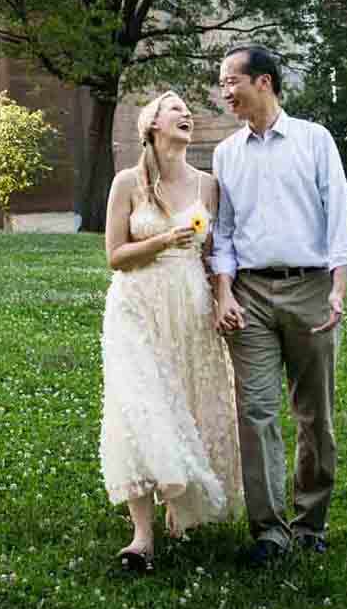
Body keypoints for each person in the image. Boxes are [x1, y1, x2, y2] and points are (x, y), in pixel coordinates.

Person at [208, 45, 347, 568]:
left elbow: (339, 220)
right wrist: (223, 292)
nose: (224, 91)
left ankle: (311, 522)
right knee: (255, 413)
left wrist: (338, 289)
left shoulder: (315, 141)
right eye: (222, 82)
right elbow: (223, 235)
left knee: (314, 413)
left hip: (311, 287)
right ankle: (269, 531)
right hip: (248, 292)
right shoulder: (226, 153)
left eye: (232, 81)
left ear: (264, 82)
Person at [99, 91, 244, 571]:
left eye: (189, 112)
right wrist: (163, 240)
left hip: (188, 305)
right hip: (136, 305)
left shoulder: (209, 185)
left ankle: (179, 505)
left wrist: (223, 297)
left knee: (186, 401)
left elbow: (214, 255)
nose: (187, 115)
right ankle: (142, 536)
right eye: (175, 109)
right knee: (139, 406)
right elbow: (115, 256)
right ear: (152, 124)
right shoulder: (127, 182)